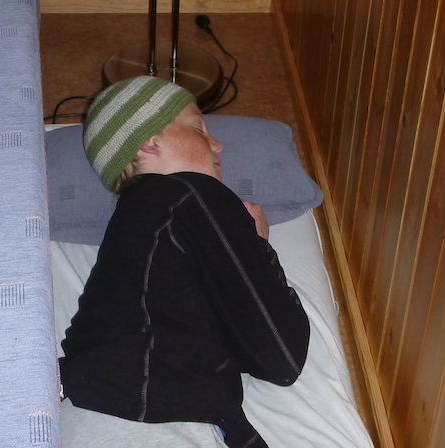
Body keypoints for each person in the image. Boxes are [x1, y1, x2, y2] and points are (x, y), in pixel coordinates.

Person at [59, 76, 310, 448]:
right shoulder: (190, 193)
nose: (217, 144)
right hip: (140, 423)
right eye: (198, 128)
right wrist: (258, 244)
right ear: (149, 141)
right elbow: (283, 356)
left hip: (95, 414)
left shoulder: (143, 229)